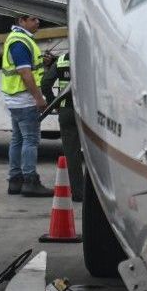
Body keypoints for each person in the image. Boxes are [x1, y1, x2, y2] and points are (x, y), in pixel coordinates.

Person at [1, 15, 54, 197]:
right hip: (25, 100)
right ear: (21, 21)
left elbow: (28, 68)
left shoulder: (19, 39)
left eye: (38, 19)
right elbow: (25, 73)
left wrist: (42, 62)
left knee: (18, 139)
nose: (38, 22)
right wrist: (38, 98)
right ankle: (30, 180)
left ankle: (15, 180)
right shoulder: (20, 42)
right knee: (30, 140)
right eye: (33, 19)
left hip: (15, 99)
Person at [51, 52, 83, 202]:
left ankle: (78, 193)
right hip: (87, 112)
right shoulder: (88, 57)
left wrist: (55, 103)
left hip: (67, 111)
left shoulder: (62, 60)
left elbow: (46, 83)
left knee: (72, 154)